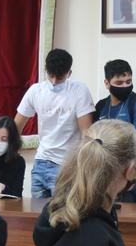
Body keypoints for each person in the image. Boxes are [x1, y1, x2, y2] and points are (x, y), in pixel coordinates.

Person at [15, 48, 95, 198]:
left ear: (69, 73)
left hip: (66, 165)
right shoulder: (36, 91)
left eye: (59, 78)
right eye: (51, 76)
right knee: (38, 217)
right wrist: (13, 153)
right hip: (40, 162)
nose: (53, 82)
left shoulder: (79, 91)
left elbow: (87, 133)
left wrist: (85, 167)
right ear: (46, 70)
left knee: (63, 217)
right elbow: (16, 127)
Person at [94, 59, 136, 203]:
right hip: (108, 175)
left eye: (128, 82)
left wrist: (131, 178)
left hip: (135, 177)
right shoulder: (101, 106)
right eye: (119, 83)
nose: (125, 86)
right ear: (107, 83)